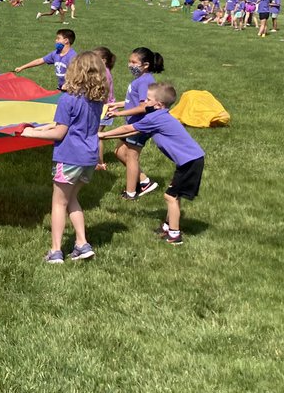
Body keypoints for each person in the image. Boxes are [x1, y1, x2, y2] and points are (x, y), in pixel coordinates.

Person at [20, 51, 109, 263]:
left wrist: (31, 133)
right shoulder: (97, 101)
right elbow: (71, 125)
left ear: (74, 71)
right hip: (88, 159)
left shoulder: (67, 100)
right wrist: (41, 128)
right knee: (72, 199)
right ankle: (82, 244)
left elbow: (60, 132)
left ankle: (56, 251)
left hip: (69, 157)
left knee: (59, 203)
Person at [100, 82, 205, 246]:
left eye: (148, 99)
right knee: (174, 195)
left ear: (159, 104)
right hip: (190, 160)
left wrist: (101, 135)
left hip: (190, 162)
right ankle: (167, 226)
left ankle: (175, 235)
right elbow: (134, 130)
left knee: (170, 196)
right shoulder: (158, 115)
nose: (145, 101)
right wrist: (105, 135)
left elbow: (127, 129)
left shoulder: (156, 118)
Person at [105, 47, 164, 200]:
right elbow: (133, 101)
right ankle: (145, 182)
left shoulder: (145, 81)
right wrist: (117, 105)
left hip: (140, 125)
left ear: (146, 65)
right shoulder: (140, 79)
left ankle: (130, 193)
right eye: (129, 61)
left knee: (132, 157)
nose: (130, 65)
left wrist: (119, 113)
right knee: (119, 152)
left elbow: (144, 107)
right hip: (132, 123)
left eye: (134, 62)